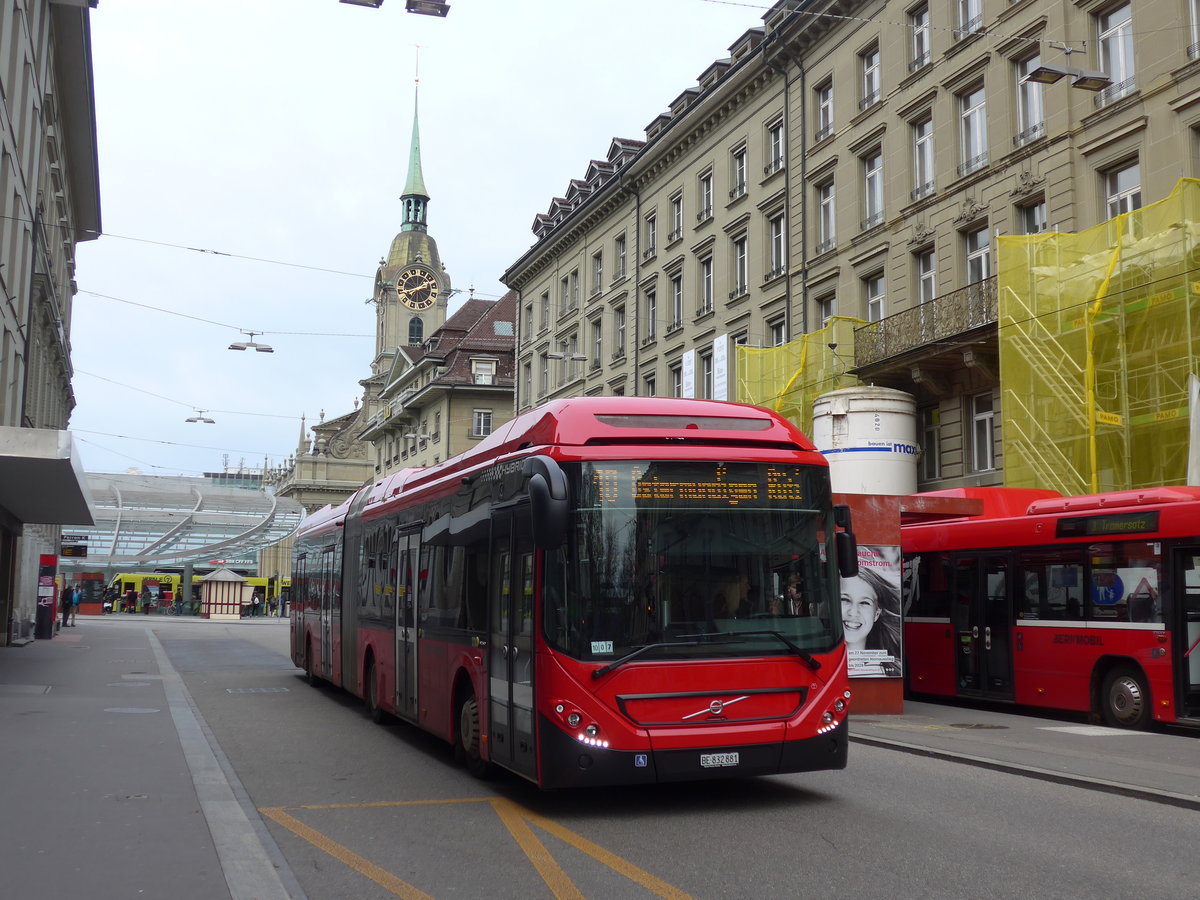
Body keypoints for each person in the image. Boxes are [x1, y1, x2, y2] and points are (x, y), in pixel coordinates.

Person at [840, 566, 902, 677]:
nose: (853, 612)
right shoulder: (816, 661)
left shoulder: (890, 672)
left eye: (864, 603)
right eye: (845, 599)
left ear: (876, 614)